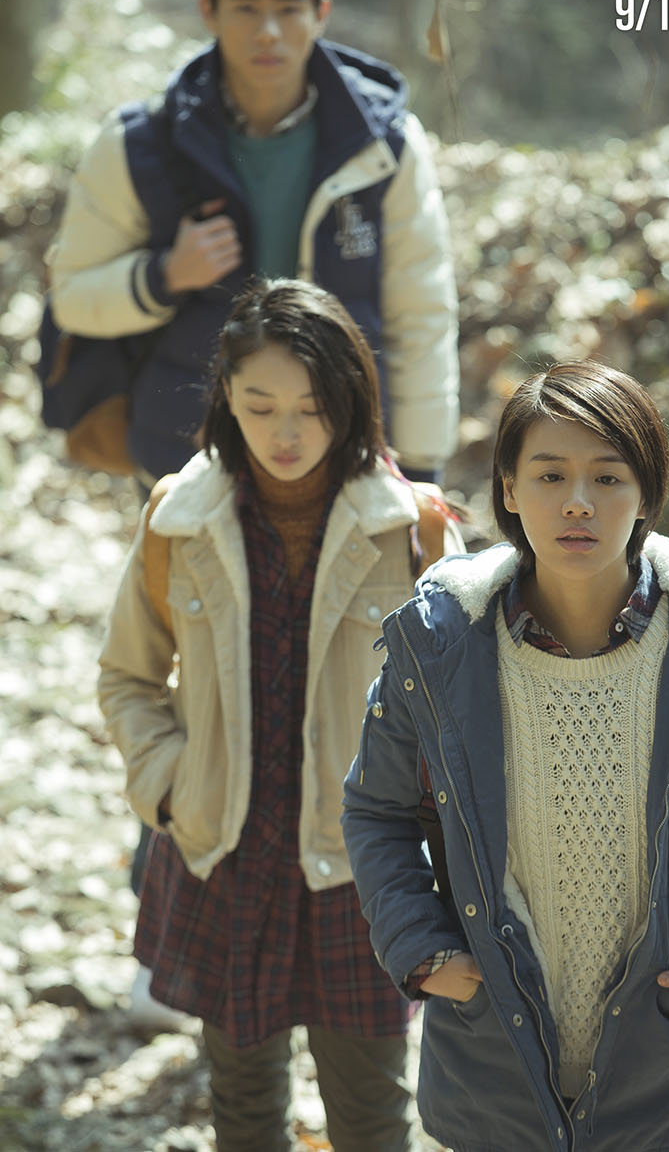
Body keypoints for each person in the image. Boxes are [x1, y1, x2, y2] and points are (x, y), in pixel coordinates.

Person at [341, 360, 669, 1152]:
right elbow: (376, 810)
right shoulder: (439, 644)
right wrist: (422, 949)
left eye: (608, 477)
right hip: (492, 1077)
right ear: (509, 489)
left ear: (647, 494)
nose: (578, 501)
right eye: (550, 475)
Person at [97, 279, 464, 1152]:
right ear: (226, 395)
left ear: (350, 400)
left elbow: (469, 708)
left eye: (310, 408)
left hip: (364, 872)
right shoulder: (178, 518)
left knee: (372, 1115)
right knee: (243, 1108)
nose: (285, 433)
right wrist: (170, 788)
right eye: (261, 406)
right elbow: (127, 678)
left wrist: (424, 828)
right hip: (226, 851)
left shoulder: (413, 527)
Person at [46, 0, 458, 490]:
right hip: (187, 459)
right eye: (245, 8)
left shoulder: (385, 145)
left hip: (345, 454)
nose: (268, 32)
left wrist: (418, 466)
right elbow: (73, 297)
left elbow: (420, 314)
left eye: (288, 8)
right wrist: (164, 276)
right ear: (209, 12)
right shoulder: (138, 143)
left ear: (320, 14)